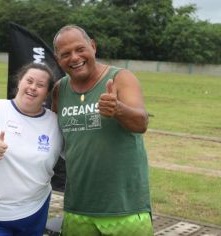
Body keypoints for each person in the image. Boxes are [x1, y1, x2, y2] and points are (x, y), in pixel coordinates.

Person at [51, 25, 153, 235]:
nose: (74, 57)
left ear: (93, 46)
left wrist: (118, 109)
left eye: (80, 49)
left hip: (124, 209)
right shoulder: (59, 89)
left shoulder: (120, 78)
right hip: (78, 208)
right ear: (57, 59)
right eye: (65, 54)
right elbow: (50, 137)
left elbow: (141, 123)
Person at [0, 62, 63, 236]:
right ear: (19, 82)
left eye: (40, 85)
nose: (33, 87)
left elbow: (77, 153)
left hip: (34, 211)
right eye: (29, 81)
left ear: (47, 93)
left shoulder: (55, 122)